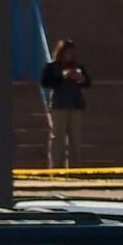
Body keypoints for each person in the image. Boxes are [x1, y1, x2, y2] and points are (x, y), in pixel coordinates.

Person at [41, 39, 91, 168]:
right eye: (67, 52)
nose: (69, 55)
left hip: (76, 105)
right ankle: (56, 167)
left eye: (71, 52)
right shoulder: (52, 66)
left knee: (75, 138)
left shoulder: (78, 67)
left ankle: (76, 168)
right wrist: (62, 76)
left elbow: (87, 83)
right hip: (59, 105)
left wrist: (81, 79)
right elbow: (45, 82)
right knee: (58, 138)